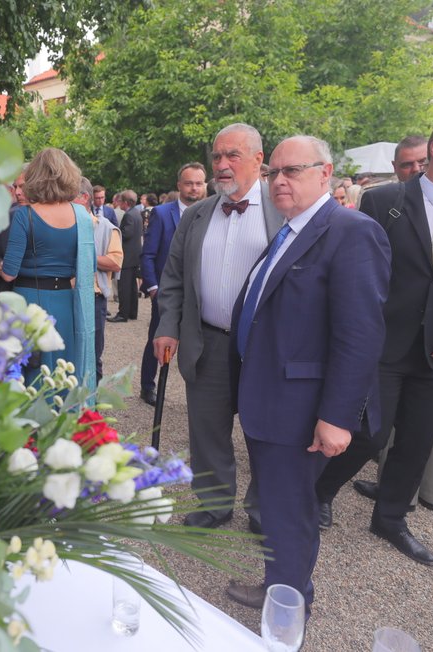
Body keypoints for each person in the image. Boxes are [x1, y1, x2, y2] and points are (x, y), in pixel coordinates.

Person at [316, 111, 433, 566]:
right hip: (382, 344)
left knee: (418, 439)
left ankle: (391, 517)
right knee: (366, 434)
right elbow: (358, 274)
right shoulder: (385, 201)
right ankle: (319, 491)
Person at [223, 135, 391, 613]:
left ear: (326, 173)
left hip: (300, 408)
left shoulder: (350, 231)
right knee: (278, 505)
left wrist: (337, 417)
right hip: (271, 398)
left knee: (290, 509)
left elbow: (359, 335)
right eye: (274, 171)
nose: (279, 180)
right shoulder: (292, 228)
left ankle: (288, 610)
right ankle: (283, 588)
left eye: (292, 171)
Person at [153, 123, 282, 533]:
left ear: (259, 160)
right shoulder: (196, 214)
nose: (222, 165)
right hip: (206, 340)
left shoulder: (283, 212)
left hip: (265, 345)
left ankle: (263, 510)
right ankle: (214, 504)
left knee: (266, 433)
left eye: (233, 156)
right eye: (217, 157)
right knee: (207, 430)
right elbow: (173, 277)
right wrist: (167, 326)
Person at [0, 148, 96, 391]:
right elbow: (87, 266)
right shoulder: (82, 217)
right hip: (65, 302)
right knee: (63, 372)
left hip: (28, 303)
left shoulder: (25, 215)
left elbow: (9, 272)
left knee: (29, 376)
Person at [138, 162, 206, 405]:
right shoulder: (162, 213)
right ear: (179, 185)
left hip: (199, 294)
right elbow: (148, 255)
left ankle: (201, 393)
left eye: (199, 183)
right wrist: (154, 288)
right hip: (166, 292)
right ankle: (148, 386)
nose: (194, 188)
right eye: (189, 183)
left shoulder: (211, 213)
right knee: (157, 337)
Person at [75, 176, 122, 385]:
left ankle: (92, 409)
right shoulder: (62, 225)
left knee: (92, 355)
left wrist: (84, 255)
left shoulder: (106, 227)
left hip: (94, 299)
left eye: (69, 198)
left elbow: (115, 261)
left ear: (84, 198)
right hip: (68, 295)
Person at [107, 190, 141, 323]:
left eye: (120, 201)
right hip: (134, 255)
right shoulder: (136, 213)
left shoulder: (129, 216)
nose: (119, 204)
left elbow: (127, 233)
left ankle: (123, 314)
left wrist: (116, 232)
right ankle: (132, 312)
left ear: (126, 202)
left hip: (127, 257)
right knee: (132, 287)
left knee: (124, 287)